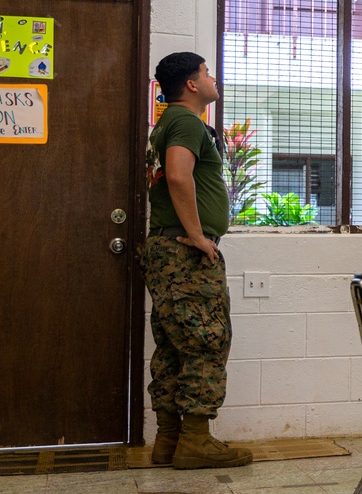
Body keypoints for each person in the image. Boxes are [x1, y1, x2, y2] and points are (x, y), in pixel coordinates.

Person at [141, 52, 253, 469]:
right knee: (206, 341)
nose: (213, 78)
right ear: (191, 84)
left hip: (168, 250)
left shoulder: (169, 123)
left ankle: (169, 439)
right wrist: (195, 235)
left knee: (175, 346)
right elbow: (177, 175)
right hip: (183, 251)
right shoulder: (185, 121)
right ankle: (195, 441)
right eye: (206, 72)